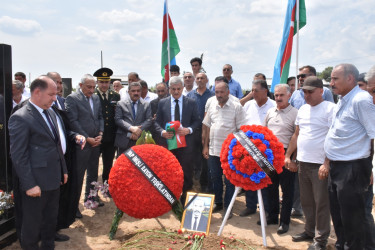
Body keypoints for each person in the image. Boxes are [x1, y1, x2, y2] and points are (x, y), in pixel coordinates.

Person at [9, 76, 83, 249]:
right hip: (35, 183)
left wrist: (63, 170)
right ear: (37, 92)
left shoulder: (50, 111)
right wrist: (29, 185)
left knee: (50, 221)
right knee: (32, 225)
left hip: (54, 179)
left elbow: (57, 144)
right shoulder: (21, 117)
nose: (55, 98)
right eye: (51, 94)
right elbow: (18, 155)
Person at [324, 64, 375, 250]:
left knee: (354, 219)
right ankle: (342, 245)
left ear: (350, 79)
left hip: (352, 168)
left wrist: (369, 168)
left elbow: (373, 135)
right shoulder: (343, 100)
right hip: (337, 167)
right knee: (338, 216)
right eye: (331, 79)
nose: (331, 83)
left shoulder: (361, 100)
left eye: (335, 79)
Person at [285, 76, 335, 250]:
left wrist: (327, 163)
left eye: (310, 92)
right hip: (303, 163)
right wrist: (288, 156)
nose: (306, 95)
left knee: (321, 203)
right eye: (304, 91)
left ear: (321, 91)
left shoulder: (330, 109)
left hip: (320, 165)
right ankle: (309, 231)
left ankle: (321, 240)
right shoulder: (303, 109)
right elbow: (296, 135)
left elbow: (333, 138)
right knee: (307, 201)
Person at [203, 77, 247, 219]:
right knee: (215, 177)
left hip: (230, 152)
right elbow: (207, 126)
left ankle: (228, 207)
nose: (219, 95)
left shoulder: (236, 107)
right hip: (213, 150)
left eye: (222, 92)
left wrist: (239, 152)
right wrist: (205, 146)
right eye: (216, 92)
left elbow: (242, 130)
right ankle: (218, 202)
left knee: (229, 180)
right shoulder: (212, 105)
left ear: (228, 92)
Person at [154, 76, 200, 203]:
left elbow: (197, 121)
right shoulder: (162, 102)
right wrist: (163, 132)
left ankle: (185, 198)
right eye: (173, 89)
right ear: (169, 89)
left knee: (186, 171)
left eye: (178, 89)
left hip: (186, 145)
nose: (176, 92)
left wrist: (189, 130)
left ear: (183, 88)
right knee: (169, 171)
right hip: (169, 144)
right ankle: (170, 198)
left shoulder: (191, 102)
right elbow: (156, 123)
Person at [65, 74, 104, 218]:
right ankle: (73, 207)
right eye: (89, 87)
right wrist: (87, 138)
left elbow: (100, 117)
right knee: (78, 176)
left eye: (94, 87)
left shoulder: (95, 98)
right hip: (82, 144)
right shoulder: (72, 98)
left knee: (93, 173)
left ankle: (91, 198)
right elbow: (73, 121)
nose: (92, 90)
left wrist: (100, 133)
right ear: (81, 85)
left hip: (96, 142)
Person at [264, 84, 298, 234]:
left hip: (286, 155)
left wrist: (292, 158)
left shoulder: (296, 113)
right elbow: (264, 133)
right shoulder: (270, 111)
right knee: (270, 187)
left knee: (287, 190)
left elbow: (297, 138)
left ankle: (284, 221)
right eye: (276, 95)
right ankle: (272, 216)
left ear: (289, 95)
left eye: (281, 95)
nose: (278, 98)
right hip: (270, 155)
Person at [241, 79, 275, 217]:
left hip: (267, 150)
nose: (253, 93)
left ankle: (266, 209)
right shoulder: (248, 105)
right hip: (249, 148)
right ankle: (250, 206)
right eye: (252, 90)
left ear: (265, 91)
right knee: (250, 178)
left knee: (265, 179)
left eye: (256, 90)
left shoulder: (273, 105)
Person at [187, 73, 214, 192]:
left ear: (207, 80)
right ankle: (190, 183)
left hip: (208, 131)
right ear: (195, 80)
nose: (200, 80)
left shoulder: (213, 96)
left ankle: (204, 185)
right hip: (192, 132)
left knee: (206, 159)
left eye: (202, 78)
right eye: (197, 78)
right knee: (191, 158)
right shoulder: (189, 95)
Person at [94, 68, 120, 187]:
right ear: (97, 82)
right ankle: (92, 191)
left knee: (108, 163)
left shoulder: (115, 95)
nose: (104, 85)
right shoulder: (92, 96)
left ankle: (106, 186)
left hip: (110, 136)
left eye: (106, 82)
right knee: (93, 165)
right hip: (96, 136)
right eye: (101, 82)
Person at [115, 81, 152, 154]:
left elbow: (149, 120)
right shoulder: (121, 104)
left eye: (138, 91)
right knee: (123, 164)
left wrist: (138, 131)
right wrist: (131, 128)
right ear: (128, 92)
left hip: (140, 140)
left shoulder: (146, 104)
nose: (136, 93)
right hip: (124, 139)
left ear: (141, 92)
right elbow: (118, 119)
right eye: (133, 91)